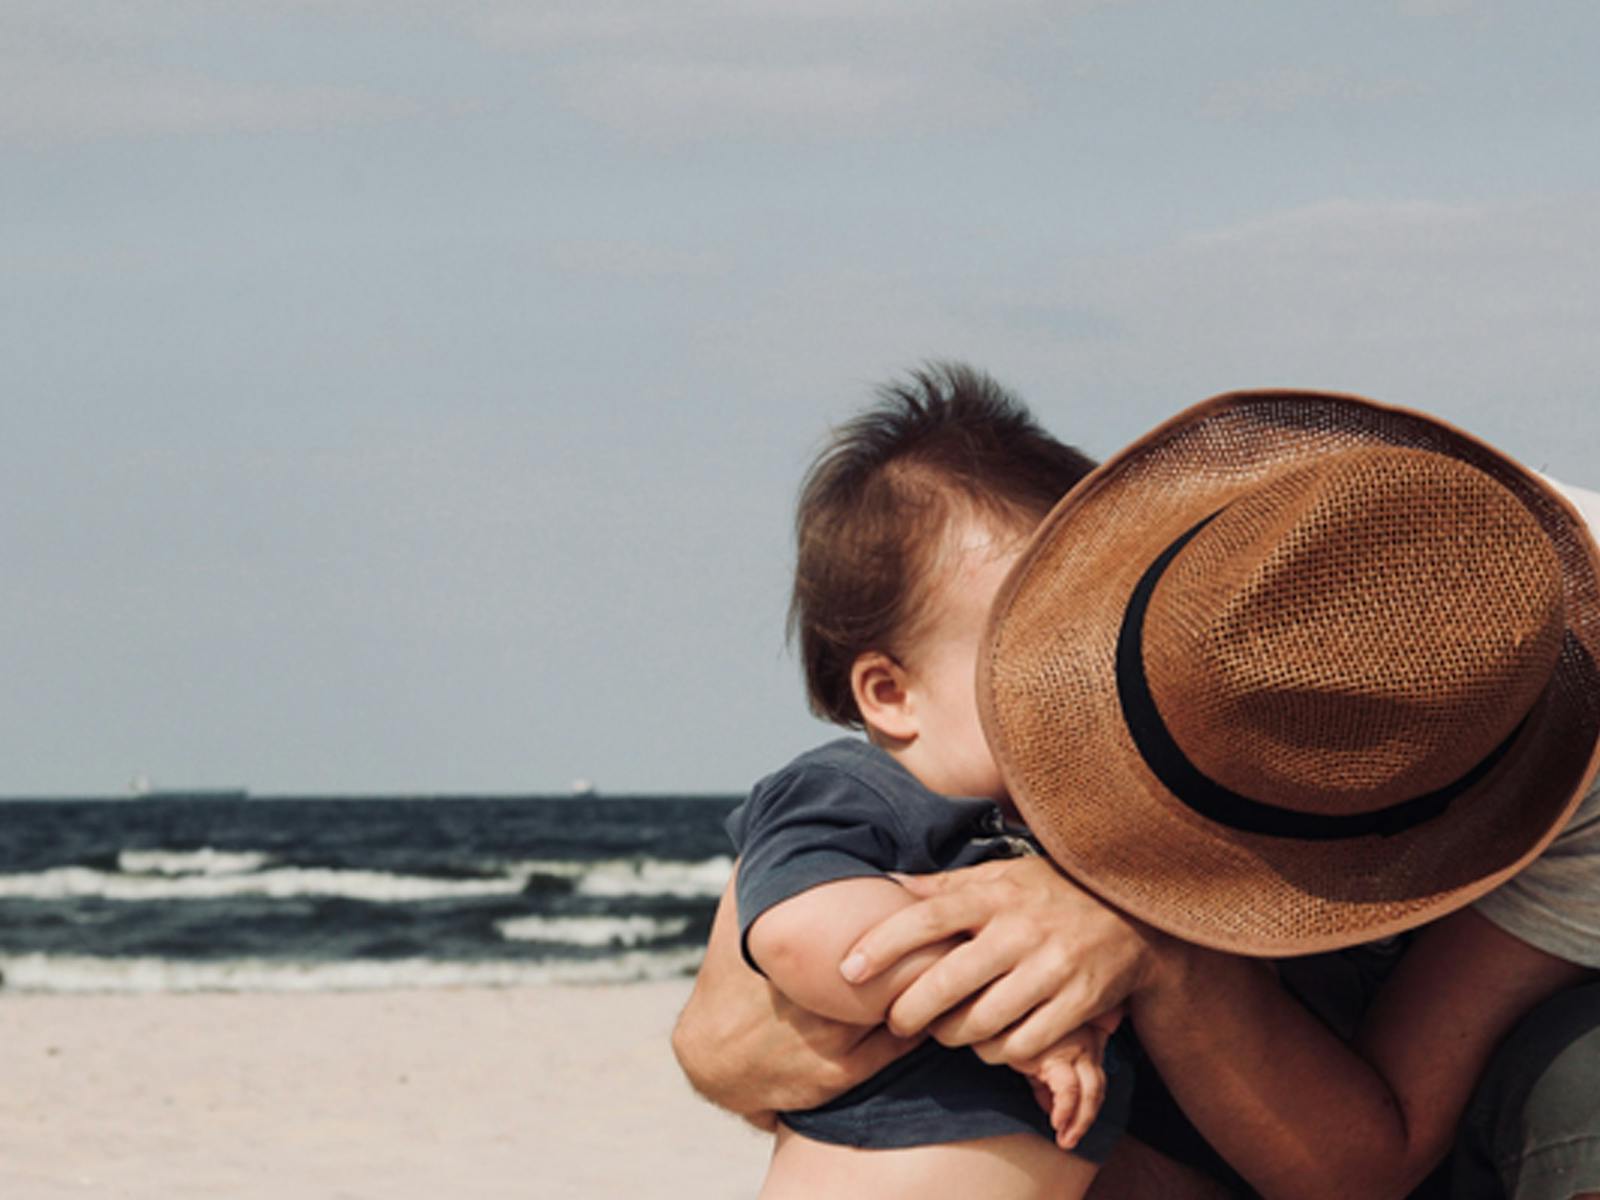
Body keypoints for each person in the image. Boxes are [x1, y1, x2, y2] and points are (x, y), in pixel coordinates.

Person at [675, 389, 1600, 1200]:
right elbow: (763, 979)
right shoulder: (1286, 561)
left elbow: (1367, 1157)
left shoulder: (1544, 740)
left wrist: (1146, 945)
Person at [724, 363, 1129, 1199]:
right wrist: (1013, 1017)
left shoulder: (1052, 826)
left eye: (1100, 648)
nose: (1084, 685)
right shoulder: (855, 791)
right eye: (1041, 655)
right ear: (891, 693)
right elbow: (805, 934)